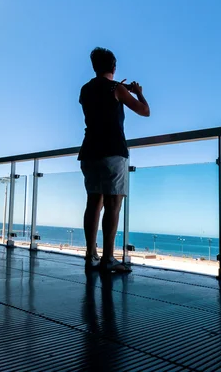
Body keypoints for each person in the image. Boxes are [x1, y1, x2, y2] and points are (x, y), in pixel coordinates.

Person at [78, 47, 150, 273]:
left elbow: (102, 97)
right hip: (113, 150)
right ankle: (108, 258)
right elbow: (144, 111)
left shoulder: (85, 89)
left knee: (93, 204)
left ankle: (91, 255)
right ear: (114, 66)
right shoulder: (115, 88)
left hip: (89, 150)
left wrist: (119, 87)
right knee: (113, 205)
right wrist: (137, 91)